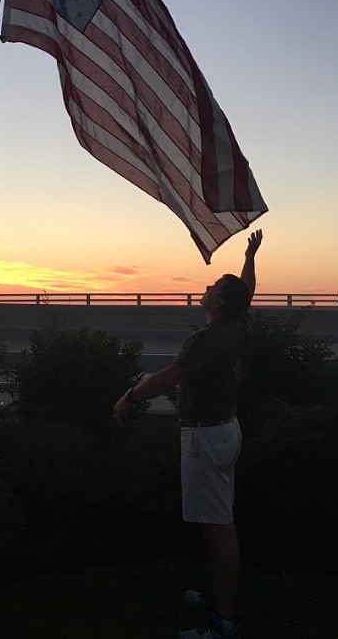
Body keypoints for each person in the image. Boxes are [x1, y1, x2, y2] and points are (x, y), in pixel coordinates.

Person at [113, 230, 263, 639]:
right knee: (216, 523)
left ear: (218, 302)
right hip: (223, 431)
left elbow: (169, 377)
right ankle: (219, 597)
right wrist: (250, 257)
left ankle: (224, 622)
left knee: (219, 528)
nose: (206, 287)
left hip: (207, 440)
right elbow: (245, 290)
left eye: (212, 286)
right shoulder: (237, 324)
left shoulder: (208, 338)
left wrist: (129, 396)